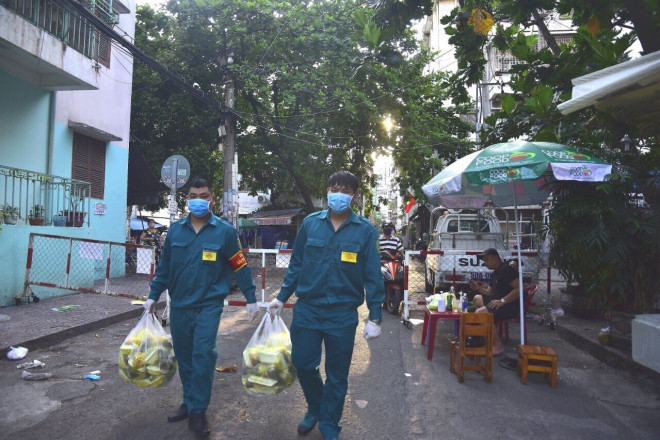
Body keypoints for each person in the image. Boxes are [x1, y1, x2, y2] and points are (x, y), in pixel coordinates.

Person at [267, 171, 385, 440]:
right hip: (308, 309)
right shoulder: (310, 224)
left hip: (342, 314)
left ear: (354, 195)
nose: (337, 193)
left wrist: (375, 315)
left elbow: (373, 274)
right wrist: (281, 297)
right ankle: (315, 407)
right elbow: (296, 265)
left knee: (337, 374)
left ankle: (329, 422)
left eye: (344, 190)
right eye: (333, 188)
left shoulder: (365, 230)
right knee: (303, 364)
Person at [143, 177, 259, 437]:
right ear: (187, 199)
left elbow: (239, 265)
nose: (199, 199)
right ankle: (188, 402)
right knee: (184, 358)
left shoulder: (225, 232)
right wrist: (153, 296)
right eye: (194, 195)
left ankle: (198, 411)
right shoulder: (174, 232)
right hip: (181, 305)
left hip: (209, 305)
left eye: (204, 195)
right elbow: (164, 269)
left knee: (203, 356)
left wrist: (251, 296)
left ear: (212, 199)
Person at [468, 248, 520, 356]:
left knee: (480, 313)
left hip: (509, 305)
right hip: (497, 301)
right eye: (484, 260)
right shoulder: (495, 273)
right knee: (477, 298)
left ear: (496, 258)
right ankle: (483, 335)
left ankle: (497, 345)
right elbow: (490, 292)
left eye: (487, 259)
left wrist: (503, 301)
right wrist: (478, 288)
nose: (485, 263)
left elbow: (520, 289)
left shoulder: (506, 269)